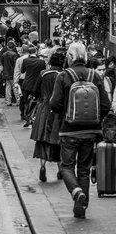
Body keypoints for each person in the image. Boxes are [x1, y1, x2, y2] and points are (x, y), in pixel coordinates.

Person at [50, 42, 110, 219]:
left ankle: (76, 192)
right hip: (91, 131)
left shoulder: (64, 76)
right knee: (84, 168)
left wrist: (62, 112)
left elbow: (54, 103)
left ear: (70, 57)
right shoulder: (95, 76)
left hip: (69, 130)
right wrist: (96, 119)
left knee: (67, 166)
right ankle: (81, 207)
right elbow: (105, 105)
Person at [30, 51, 65, 182]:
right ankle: (60, 169)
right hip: (58, 111)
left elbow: (35, 91)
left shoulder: (43, 74)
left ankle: (42, 167)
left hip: (44, 109)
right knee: (58, 140)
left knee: (42, 140)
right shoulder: (63, 75)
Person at [21, 46, 46, 127]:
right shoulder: (41, 62)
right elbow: (43, 71)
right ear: (36, 52)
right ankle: (35, 117)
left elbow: (22, 71)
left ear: (28, 53)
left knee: (26, 102)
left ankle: (27, 118)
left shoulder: (25, 61)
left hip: (27, 83)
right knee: (38, 101)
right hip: (37, 84)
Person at [13, 43, 29, 120]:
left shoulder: (19, 60)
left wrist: (15, 82)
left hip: (22, 80)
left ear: (22, 50)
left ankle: (23, 112)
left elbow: (17, 72)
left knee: (22, 96)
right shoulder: (31, 59)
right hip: (30, 79)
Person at [0, 40, 18, 106]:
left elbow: (2, 62)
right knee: (15, 87)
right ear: (13, 47)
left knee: (8, 87)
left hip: (6, 73)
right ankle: (18, 100)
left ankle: (8, 101)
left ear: (7, 47)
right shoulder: (14, 54)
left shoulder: (4, 54)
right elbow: (15, 64)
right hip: (13, 73)